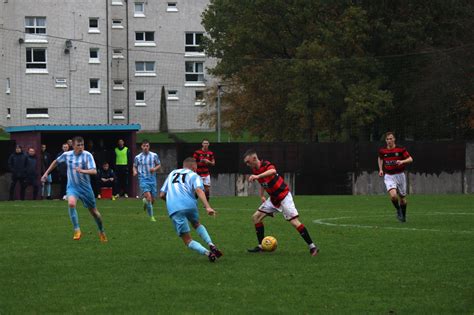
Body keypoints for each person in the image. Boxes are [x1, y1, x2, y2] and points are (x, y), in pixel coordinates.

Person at [243, 149, 319, 256]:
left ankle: (313, 247)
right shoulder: (255, 170)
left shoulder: (266, 164)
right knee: (256, 217)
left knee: (294, 222)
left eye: (248, 161)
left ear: (254, 158)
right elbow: (263, 183)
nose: (247, 164)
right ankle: (261, 246)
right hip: (273, 199)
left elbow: (273, 171)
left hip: (283, 196)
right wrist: (262, 195)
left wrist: (258, 176)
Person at [41, 136, 107, 242]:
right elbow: (55, 162)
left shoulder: (87, 155)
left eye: (82, 145)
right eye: (78, 145)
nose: (81, 147)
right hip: (73, 187)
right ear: (73, 145)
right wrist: (45, 173)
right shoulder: (67, 155)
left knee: (94, 212)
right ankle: (77, 230)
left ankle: (101, 231)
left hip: (86, 188)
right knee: (71, 203)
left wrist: (83, 171)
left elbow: (94, 171)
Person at [159, 157, 223, 262]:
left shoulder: (172, 174)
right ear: (194, 167)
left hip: (175, 208)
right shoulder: (194, 175)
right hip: (190, 205)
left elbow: (162, 194)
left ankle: (208, 253)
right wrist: (207, 207)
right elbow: (198, 189)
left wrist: (171, 202)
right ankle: (211, 244)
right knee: (196, 224)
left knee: (188, 240)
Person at [378, 131, 413, 222]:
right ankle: (398, 210)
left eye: (391, 138)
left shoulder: (401, 149)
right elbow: (380, 158)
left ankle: (403, 216)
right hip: (389, 176)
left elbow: (410, 159)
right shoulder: (383, 151)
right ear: (385, 140)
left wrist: (402, 161)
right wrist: (381, 169)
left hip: (400, 175)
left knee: (402, 197)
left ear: (394, 139)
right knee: (393, 196)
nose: (389, 140)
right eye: (387, 139)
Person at [133, 140, 161, 222]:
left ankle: (145, 202)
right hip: (143, 179)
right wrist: (134, 171)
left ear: (149, 147)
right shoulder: (138, 157)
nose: (145, 147)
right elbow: (134, 166)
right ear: (141, 147)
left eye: (147, 146)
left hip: (152, 179)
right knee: (148, 197)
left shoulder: (154, 155)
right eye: (144, 146)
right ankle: (152, 217)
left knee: (152, 200)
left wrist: (154, 169)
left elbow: (159, 164)